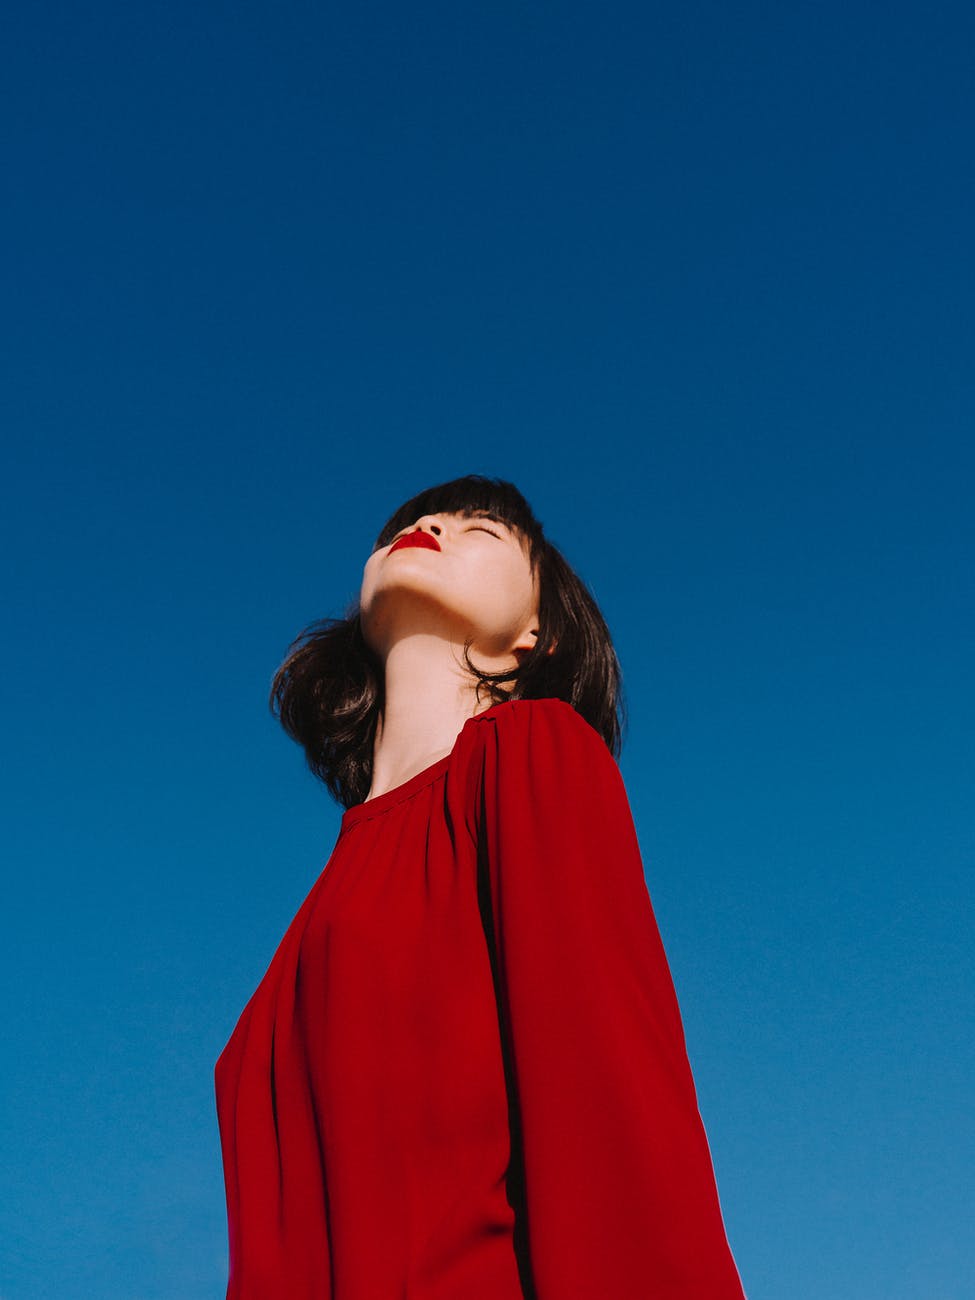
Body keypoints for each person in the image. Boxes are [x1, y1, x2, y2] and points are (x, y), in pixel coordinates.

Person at [214, 473, 746, 1298]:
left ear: (535, 635)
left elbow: (613, 1115)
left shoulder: (533, 756)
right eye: (417, 518)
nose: (430, 524)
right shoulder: (319, 909)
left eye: (481, 530)